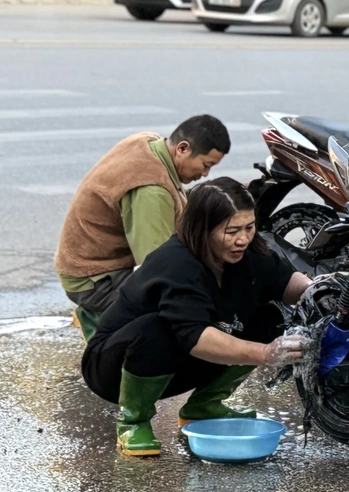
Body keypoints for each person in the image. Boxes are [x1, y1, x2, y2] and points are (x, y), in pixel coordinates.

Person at [80, 178, 311, 458]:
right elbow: (196, 338)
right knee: (157, 329)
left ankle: (204, 406)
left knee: (271, 317)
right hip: (115, 368)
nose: (243, 238)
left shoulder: (247, 251)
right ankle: (133, 420)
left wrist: (318, 288)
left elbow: (286, 283)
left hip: (178, 363)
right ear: (203, 230)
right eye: (232, 231)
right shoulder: (177, 263)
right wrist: (265, 353)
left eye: (249, 227)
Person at [56, 114, 231, 343]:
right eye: (206, 165)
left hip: (83, 263)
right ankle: (101, 326)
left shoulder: (148, 142)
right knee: (174, 302)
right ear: (183, 148)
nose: (205, 174)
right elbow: (156, 267)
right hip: (92, 279)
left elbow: (177, 202)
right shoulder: (151, 191)